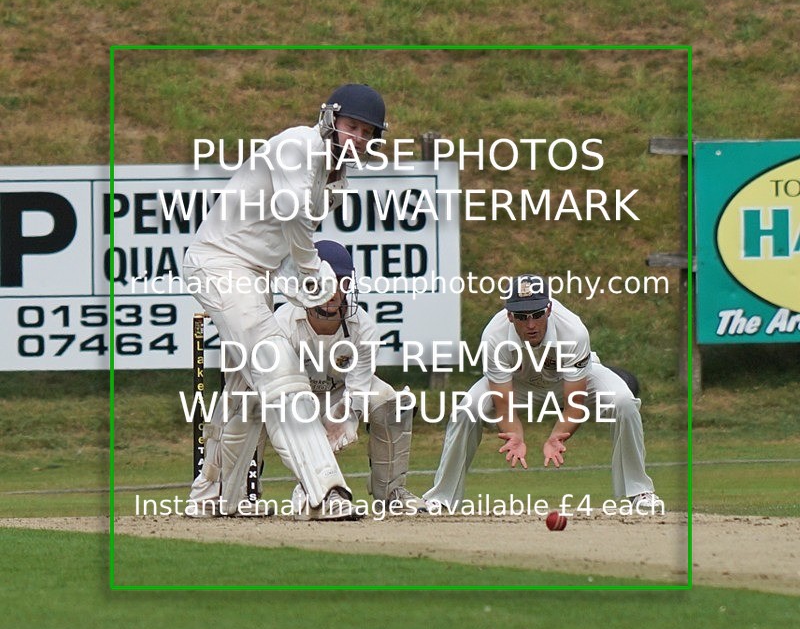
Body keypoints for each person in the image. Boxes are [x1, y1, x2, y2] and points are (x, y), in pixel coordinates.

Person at [183, 83, 387, 520]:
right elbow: (293, 214)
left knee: (244, 392)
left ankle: (215, 496)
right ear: (331, 119)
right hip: (219, 264)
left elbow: (283, 244)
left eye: (368, 133)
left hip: (259, 275)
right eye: (352, 126)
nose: (358, 139)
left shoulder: (336, 180)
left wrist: (301, 283)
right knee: (278, 368)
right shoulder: (297, 145)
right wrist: (313, 273)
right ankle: (324, 491)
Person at [422, 274, 663, 512]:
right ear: (509, 315)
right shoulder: (493, 337)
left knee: (625, 402)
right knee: (466, 410)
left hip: (570, 381)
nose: (530, 324)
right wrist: (514, 434)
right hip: (518, 385)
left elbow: (575, 403)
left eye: (537, 314)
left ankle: (640, 491)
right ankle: (443, 497)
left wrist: (558, 435)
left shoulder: (573, 331)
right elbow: (503, 405)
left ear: (548, 309)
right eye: (522, 316)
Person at [275, 240, 427, 517]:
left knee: (389, 402)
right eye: (324, 282)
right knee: (249, 404)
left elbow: (359, 386)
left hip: (342, 392)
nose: (333, 292)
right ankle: (281, 490)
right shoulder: (282, 323)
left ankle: (391, 492)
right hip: (297, 396)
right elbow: (281, 386)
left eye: (341, 281)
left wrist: (344, 417)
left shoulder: (365, 328)